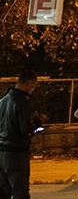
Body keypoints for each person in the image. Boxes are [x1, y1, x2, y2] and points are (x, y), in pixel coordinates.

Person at [0, 69, 40, 199]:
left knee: (3, 189)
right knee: (20, 190)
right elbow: (25, 130)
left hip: (2, 151)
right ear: (28, 83)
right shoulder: (23, 102)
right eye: (34, 85)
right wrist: (36, 125)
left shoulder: (3, 101)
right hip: (17, 153)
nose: (33, 89)